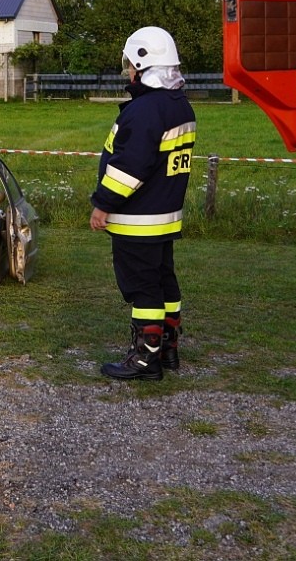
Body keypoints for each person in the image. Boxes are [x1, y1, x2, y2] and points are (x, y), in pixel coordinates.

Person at [89, 27, 196, 381]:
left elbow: (130, 169)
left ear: (142, 64)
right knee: (164, 282)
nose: (128, 74)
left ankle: (145, 359)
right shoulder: (179, 105)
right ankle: (168, 350)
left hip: (137, 219)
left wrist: (102, 204)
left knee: (143, 287)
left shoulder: (145, 110)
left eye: (130, 66)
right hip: (165, 217)